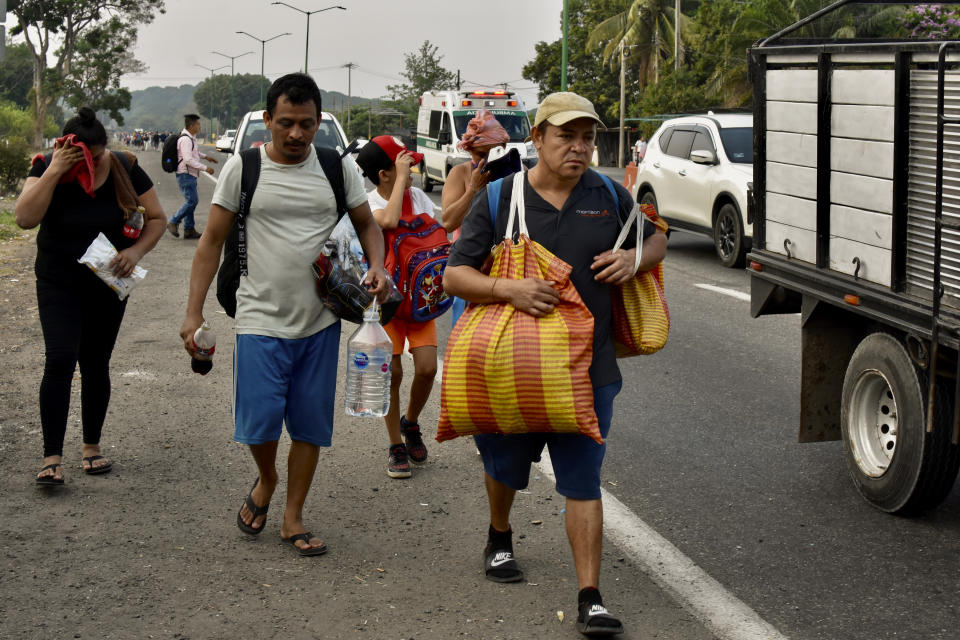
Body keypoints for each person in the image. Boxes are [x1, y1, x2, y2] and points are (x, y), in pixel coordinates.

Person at [443, 91, 668, 637]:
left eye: (588, 137)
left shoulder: (609, 195)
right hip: (509, 367)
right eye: (566, 135)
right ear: (537, 138)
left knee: (583, 480)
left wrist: (632, 258)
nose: (580, 146)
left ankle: (590, 595)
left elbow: (657, 240)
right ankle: (499, 535)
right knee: (505, 468)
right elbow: (455, 276)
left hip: (589, 370)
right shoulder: (499, 199)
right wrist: (509, 289)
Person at [178, 74, 389, 557]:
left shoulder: (337, 167)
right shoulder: (243, 168)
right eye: (287, 124)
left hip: (320, 318)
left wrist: (377, 266)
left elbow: (367, 225)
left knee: (310, 425)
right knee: (260, 423)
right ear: (267, 120)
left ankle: (293, 516)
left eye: (307, 125)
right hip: (258, 316)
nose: (297, 135)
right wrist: (193, 312)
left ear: (319, 122)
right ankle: (267, 479)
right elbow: (210, 242)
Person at [14, 107, 167, 485]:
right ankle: (52, 457)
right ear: (65, 147)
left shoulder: (122, 165)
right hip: (57, 281)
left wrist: (134, 252)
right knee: (60, 359)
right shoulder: (46, 166)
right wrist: (54, 171)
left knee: (96, 361)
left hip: (107, 282)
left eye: (96, 156)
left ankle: (91, 447)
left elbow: (158, 217)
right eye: (82, 155)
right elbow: (24, 218)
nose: (91, 163)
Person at [355, 135, 438, 480]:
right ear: (384, 173)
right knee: (393, 374)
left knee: (427, 369)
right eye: (403, 165)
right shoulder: (368, 201)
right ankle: (395, 444)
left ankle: (411, 422)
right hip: (385, 303)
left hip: (419, 299)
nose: (412, 170)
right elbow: (386, 223)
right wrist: (402, 179)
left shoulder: (417, 196)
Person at [167, 114, 217, 240]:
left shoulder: (191, 138)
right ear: (191, 126)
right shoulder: (185, 140)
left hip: (189, 174)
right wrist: (206, 168)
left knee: (191, 201)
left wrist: (206, 157)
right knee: (192, 201)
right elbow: (188, 159)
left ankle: (189, 229)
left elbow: (195, 153)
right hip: (185, 174)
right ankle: (173, 221)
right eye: (198, 124)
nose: (199, 126)